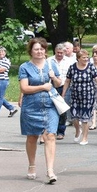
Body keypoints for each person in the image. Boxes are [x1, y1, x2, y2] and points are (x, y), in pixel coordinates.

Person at [18, 37, 64, 184]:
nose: (39, 51)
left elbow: (58, 83)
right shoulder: (24, 67)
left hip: (50, 105)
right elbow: (24, 88)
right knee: (32, 137)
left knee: (50, 135)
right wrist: (42, 87)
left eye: (42, 49)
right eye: (36, 49)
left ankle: (50, 170)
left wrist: (53, 78)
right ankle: (31, 165)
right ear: (31, 51)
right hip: (31, 106)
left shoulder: (51, 64)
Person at [64, 48, 97, 145]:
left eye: (87, 57)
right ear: (78, 58)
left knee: (86, 117)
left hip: (88, 96)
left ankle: (85, 137)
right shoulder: (72, 67)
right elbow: (67, 80)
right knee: (74, 116)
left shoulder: (91, 67)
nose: (86, 59)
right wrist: (63, 93)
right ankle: (77, 130)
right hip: (75, 96)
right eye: (84, 58)